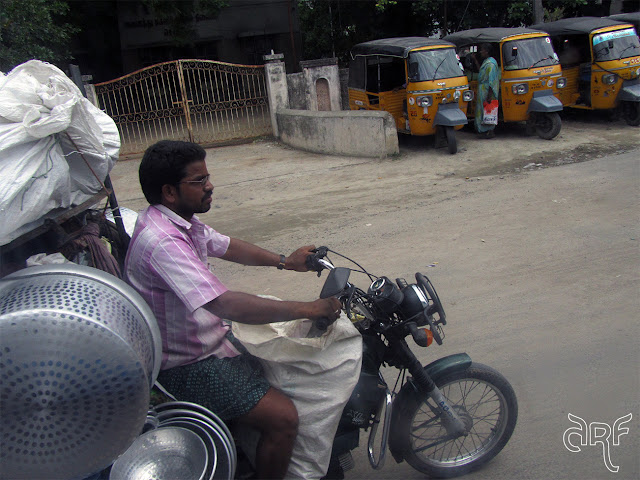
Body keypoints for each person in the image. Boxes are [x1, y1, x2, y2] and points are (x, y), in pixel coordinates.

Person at [124, 140, 341, 479]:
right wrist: (308, 308)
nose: (209, 186)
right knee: (284, 417)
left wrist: (286, 261)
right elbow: (224, 303)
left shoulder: (180, 221)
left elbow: (227, 246)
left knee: (289, 361)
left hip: (210, 339)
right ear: (169, 191)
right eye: (198, 181)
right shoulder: (163, 240)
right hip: (188, 366)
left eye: (207, 177)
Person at [473, 43, 500, 139]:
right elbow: (480, 71)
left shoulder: (491, 64)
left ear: (487, 51)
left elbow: (491, 81)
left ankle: (488, 131)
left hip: (487, 90)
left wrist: (489, 95)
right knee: (482, 110)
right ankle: (483, 130)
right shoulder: (487, 62)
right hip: (483, 89)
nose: (481, 52)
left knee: (487, 111)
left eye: (482, 50)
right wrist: (475, 60)